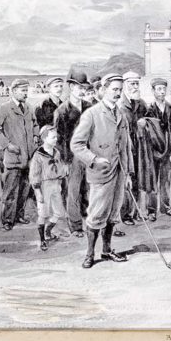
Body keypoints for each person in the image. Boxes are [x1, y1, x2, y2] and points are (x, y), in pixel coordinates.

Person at [70, 74, 134, 268]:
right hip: (100, 174)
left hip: (119, 173)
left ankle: (106, 251)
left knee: (113, 214)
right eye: (114, 89)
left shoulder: (121, 114)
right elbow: (76, 144)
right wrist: (95, 159)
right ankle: (89, 254)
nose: (117, 93)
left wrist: (129, 174)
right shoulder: (92, 114)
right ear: (104, 89)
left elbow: (126, 147)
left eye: (120, 90)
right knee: (96, 214)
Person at [0, 79, 39, 231]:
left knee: (24, 189)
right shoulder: (4, 109)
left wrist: (36, 136)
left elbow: (35, 124)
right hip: (13, 158)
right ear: (14, 91)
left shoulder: (29, 108)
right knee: (10, 191)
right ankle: (8, 220)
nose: (26, 93)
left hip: (28, 158)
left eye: (26, 90)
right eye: (23, 90)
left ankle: (19, 215)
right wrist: (6, 145)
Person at [53, 71, 93, 238]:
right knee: (73, 191)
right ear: (70, 87)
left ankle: (91, 221)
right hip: (71, 156)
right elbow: (59, 139)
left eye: (84, 87)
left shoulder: (90, 108)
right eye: (78, 87)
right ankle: (76, 226)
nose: (82, 90)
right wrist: (65, 161)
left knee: (90, 188)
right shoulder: (62, 111)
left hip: (89, 154)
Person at [144, 78, 171, 220]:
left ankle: (165, 207)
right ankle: (151, 210)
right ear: (153, 91)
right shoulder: (149, 110)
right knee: (152, 181)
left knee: (166, 180)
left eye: (163, 89)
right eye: (158, 89)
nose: (161, 92)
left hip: (168, 151)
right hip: (153, 152)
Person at [29, 125, 68, 251]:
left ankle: (48, 231)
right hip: (43, 186)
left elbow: (60, 168)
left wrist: (60, 182)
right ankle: (42, 240)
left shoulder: (56, 152)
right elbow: (34, 175)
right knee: (43, 214)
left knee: (58, 212)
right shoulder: (38, 155)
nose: (56, 139)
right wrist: (37, 192)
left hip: (55, 184)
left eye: (56, 137)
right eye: (53, 137)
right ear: (45, 138)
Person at [117, 71, 148, 226]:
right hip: (125, 149)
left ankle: (134, 212)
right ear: (124, 85)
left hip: (139, 149)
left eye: (137, 83)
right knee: (125, 180)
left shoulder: (141, 103)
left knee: (137, 180)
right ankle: (125, 214)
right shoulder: (119, 105)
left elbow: (149, 121)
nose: (135, 87)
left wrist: (145, 124)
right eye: (132, 84)